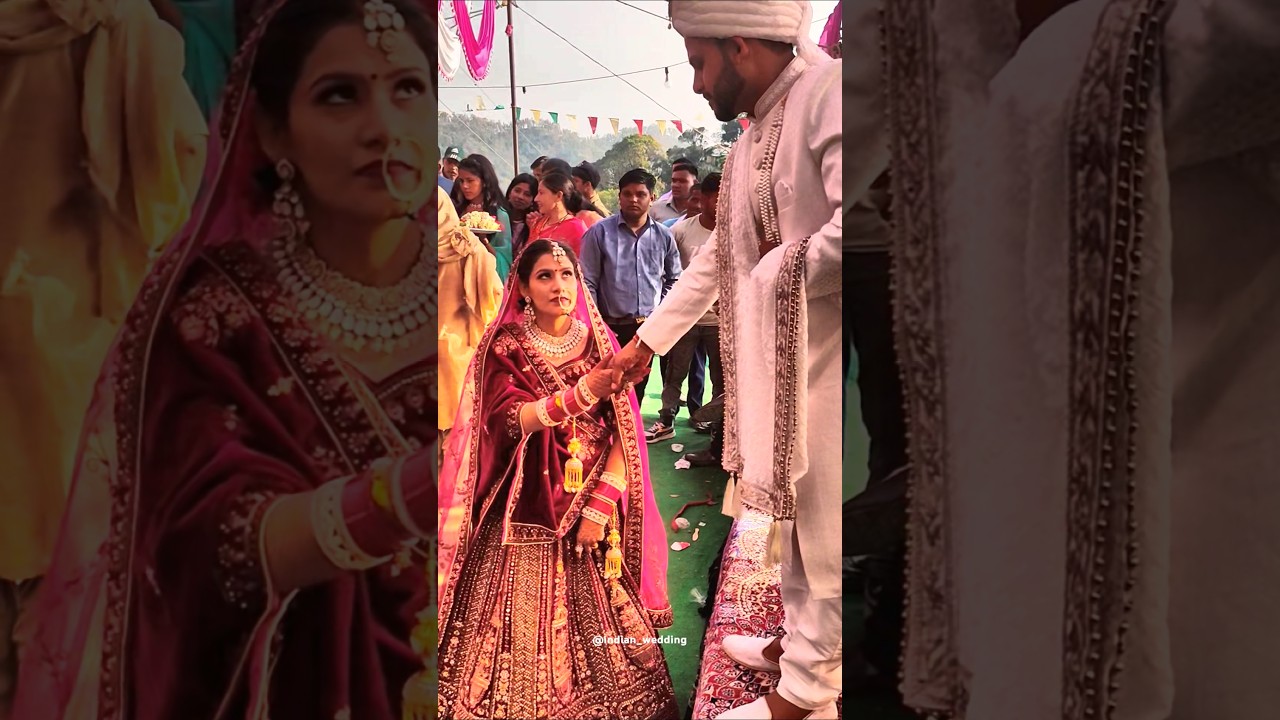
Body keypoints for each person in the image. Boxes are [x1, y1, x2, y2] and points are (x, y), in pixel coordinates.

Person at [12, 2, 439, 717]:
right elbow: (203, 552)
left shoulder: (478, 286)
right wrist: (404, 495)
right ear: (271, 130)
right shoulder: (213, 315)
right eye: (340, 95)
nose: (383, 128)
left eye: (408, 90)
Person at [885, 1, 1280, 719]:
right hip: (1019, 301)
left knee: (1219, 612)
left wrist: (1078, 50)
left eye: (697, 60)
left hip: (1230, 279)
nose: (693, 83)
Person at [611, 1, 848, 718]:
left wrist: (781, 272)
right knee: (798, 514)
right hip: (783, 361)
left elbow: (870, 213)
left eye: (698, 62)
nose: (694, 84)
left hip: (835, 358)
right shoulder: (752, 134)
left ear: (741, 46)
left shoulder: (830, 95)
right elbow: (719, 256)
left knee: (827, 521)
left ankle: (809, 697)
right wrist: (642, 346)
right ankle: (798, 648)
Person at [0, 0, 207, 712]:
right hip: (72, 357)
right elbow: (174, 205)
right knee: (64, 613)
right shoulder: (126, 35)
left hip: (41, 354)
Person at [437, 239, 678, 720]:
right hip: (521, 505)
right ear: (523, 288)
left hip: (591, 507)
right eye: (544, 276)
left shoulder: (602, 342)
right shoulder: (504, 345)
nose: (559, 286)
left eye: (566, 274)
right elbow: (508, 422)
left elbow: (624, 432)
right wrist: (582, 391)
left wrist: (601, 503)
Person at [580, 169, 681, 408]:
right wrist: (597, 326)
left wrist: (658, 315)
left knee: (635, 393)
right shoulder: (599, 233)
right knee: (605, 390)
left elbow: (674, 279)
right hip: (609, 327)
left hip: (646, 331)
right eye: (627, 194)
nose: (633, 199)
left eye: (640, 194)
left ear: (652, 197)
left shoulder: (664, 237)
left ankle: (630, 443)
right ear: (619, 197)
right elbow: (588, 283)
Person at [652, 174, 723, 443]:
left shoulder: (733, 231)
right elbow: (669, 273)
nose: (723, 203)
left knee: (721, 378)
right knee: (674, 373)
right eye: (717, 198)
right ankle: (666, 421)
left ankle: (719, 432)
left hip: (719, 322)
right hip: (686, 320)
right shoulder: (680, 231)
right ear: (702, 198)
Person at [450, 153, 514, 280]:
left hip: (484, 278)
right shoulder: (455, 210)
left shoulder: (499, 214)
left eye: (470, 180)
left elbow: (503, 258)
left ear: (484, 182)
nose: (464, 186)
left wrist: (483, 240)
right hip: (455, 276)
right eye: (461, 181)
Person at [526, 172, 590, 256]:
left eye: (541, 193)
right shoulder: (538, 224)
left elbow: (584, 264)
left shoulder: (576, 228)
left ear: (559, 196)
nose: (536, 199)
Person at [505, 172, 539, 254]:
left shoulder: (534, 221)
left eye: (527, 194)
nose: (520, 197)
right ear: (510, 192)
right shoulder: (496, 215)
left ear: (533, 200)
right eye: (517, 191)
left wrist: (534, 229)